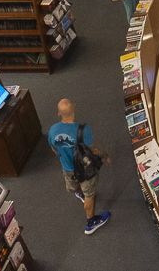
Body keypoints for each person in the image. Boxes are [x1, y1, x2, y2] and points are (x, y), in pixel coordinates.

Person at [48, 99, 111, 234]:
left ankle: (80, 193)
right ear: (73, 109)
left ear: (59, 114)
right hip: (84, 169)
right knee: (90, 194)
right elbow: (94, 149)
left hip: (67, 168)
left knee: (75, 187)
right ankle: (91, 222)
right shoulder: (83, 129)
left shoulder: (53, 130)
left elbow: (54, 148)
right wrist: (105, 155)